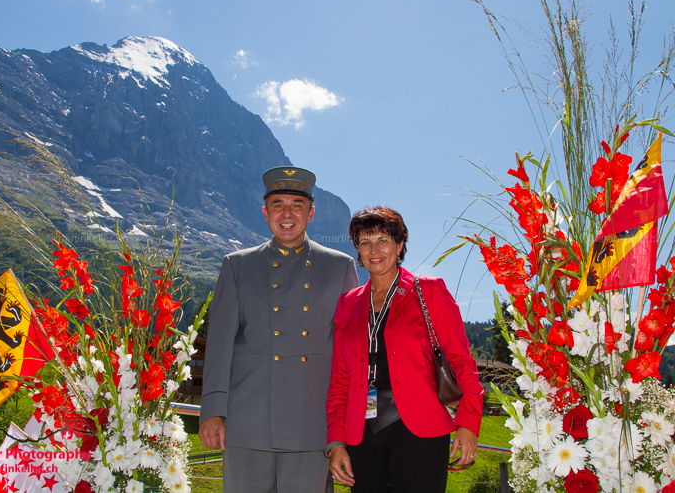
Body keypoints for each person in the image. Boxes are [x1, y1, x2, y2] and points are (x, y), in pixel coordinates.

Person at [199, 166, 359, 493]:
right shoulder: (237, 265)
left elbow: (350, 353)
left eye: (297, 206)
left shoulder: (340, 267)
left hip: (311, 423)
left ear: (311, 213)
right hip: (247, 422)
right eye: (278, 205)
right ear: (265, 213)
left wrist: (342, 427)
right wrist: (212, 411)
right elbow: (218, 346)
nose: (287, 214)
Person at [325, 206, 483, 492]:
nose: (374, 250)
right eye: (365, 242)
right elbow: (339, 379)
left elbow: (461, 361)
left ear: (399, 246)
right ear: (357, 250)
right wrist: (336, 442)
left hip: (420, 431)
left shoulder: (429, 291)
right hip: (362, 434)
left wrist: (469, 423)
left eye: (383, 240)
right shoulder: (347, 304)